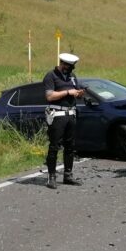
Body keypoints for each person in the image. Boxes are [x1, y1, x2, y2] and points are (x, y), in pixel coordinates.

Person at [43, 52, 84, 189]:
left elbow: (75, 93)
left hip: (71, 114)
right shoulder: (51, 76)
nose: (71, 70)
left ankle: (68, 175)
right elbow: (49, 96)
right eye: (69, 67)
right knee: (54, 146)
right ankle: (52, 177)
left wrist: (78, 94)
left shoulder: (72, 77)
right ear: (63, 64)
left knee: (70, 146)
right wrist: (67, 92)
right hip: (57, 115)